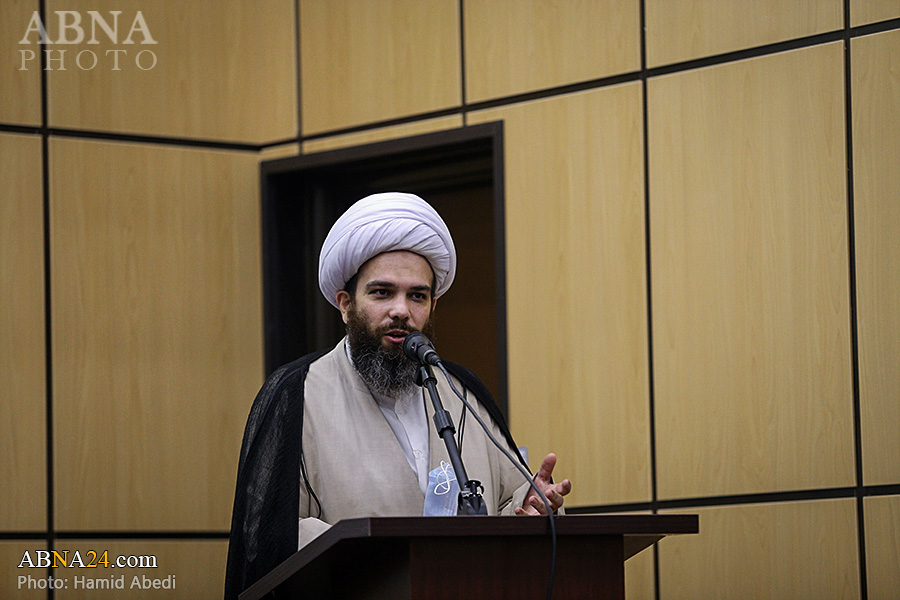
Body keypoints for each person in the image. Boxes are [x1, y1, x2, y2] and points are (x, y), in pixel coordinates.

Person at [224, 192, 571, 600]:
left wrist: (532, 506)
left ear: (432, 305)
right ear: (345, 304)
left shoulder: (462, 390)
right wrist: (384, 558)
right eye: (382, 293)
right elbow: (270, 540)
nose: (401, 311)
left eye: (417, 296)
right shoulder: (296, 394)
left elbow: (509, 503)